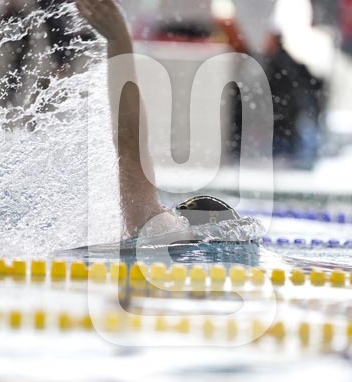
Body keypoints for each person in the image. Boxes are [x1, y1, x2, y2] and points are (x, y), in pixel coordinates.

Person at [75, 0, 243, 239]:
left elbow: (129, 140)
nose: (165, 214)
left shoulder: (161, 232)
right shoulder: (168, 241)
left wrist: (118, 40)